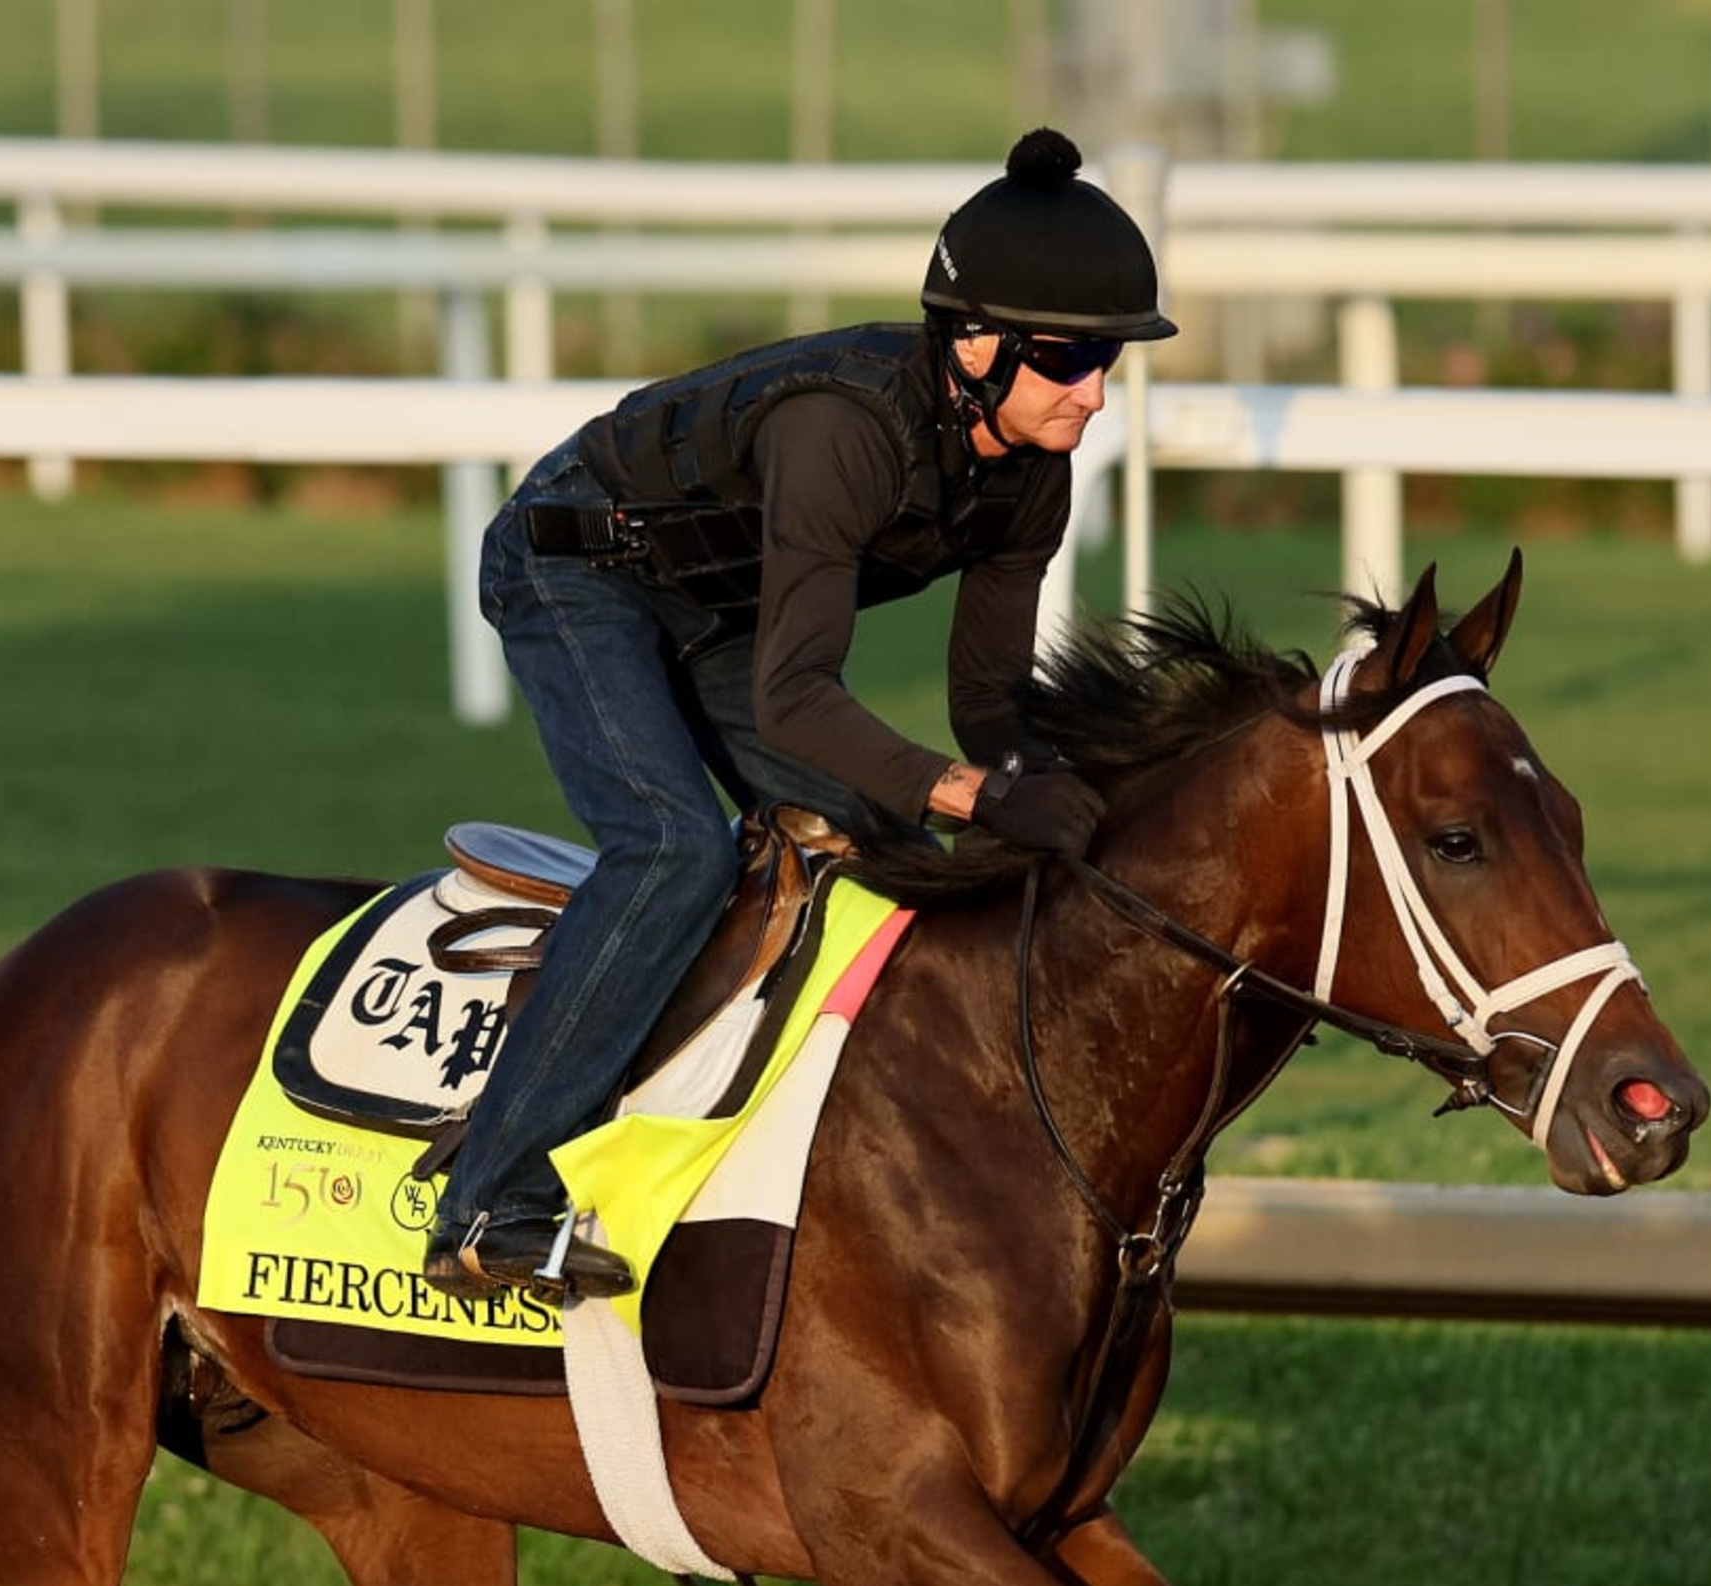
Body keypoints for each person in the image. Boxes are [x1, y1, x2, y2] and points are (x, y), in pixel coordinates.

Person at [422, 127, 1179, 1302]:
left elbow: (984, 698)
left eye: (1107, 362)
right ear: (973, 344)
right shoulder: (844, 431)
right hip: (575, 569)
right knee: (670, 846)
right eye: (1066, 359)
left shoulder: (1031, 468)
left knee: (894, 851)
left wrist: (1057, 790)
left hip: (718, 615)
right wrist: (982, 792)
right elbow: (797, 699)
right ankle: (487, 1199)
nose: (1091, 391)